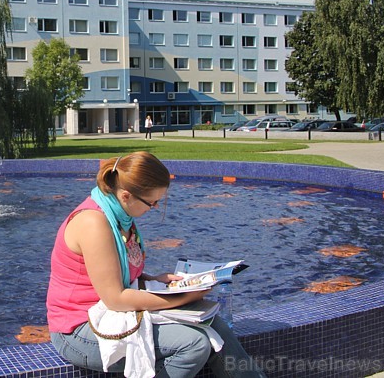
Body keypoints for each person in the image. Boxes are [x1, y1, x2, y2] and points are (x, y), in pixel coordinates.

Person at [47, 152, 265, 378]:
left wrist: (153, 280)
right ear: (126, 195)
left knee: (212, 322)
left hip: (111, 315)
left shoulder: (120, 217)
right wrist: (184, 297)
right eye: (152, 202)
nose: (155, 207)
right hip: (79, 330)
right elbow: (116, 298)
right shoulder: (93, 223)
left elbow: (113, 277)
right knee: (194, 344)